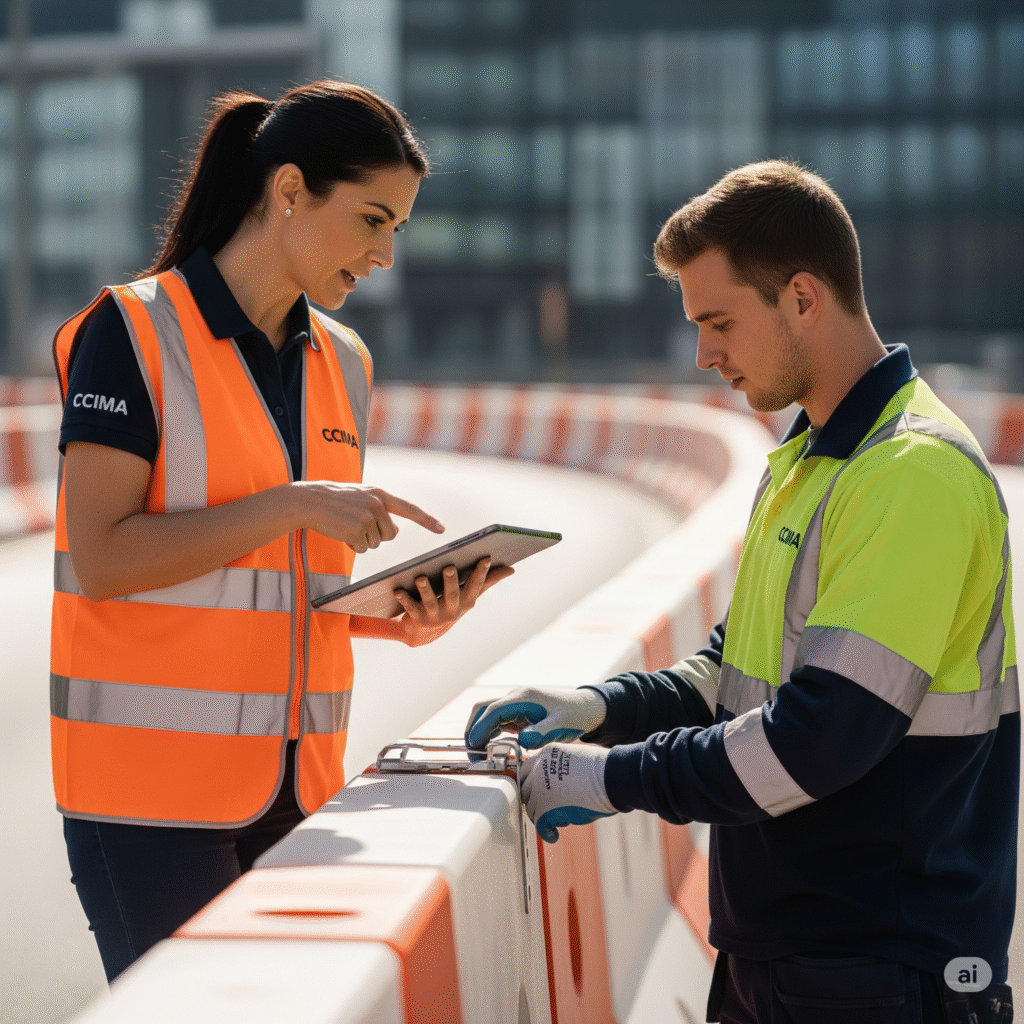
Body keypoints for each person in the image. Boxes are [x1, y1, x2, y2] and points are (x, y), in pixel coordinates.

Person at [466, 160, 1019, 1023]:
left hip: (887, 968)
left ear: (803, 297)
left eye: (718, 321)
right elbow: (733, 672)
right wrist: (598, 706)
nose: (703, 353)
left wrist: (610, 778)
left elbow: (820, 739)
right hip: (786, 955)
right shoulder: (808, 460)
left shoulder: (913, 476)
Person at [52, 80, 511, 983]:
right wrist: (295, 502)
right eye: (372, 220)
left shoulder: (346, 361)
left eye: (398, 230)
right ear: (290, 190)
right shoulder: (130, 331)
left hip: (299, 794)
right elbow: (102, 557)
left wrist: (400, 615)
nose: (383, 255)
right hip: (145, 801)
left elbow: (285, 588)